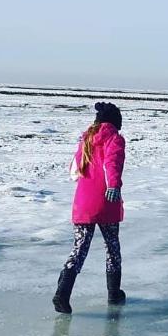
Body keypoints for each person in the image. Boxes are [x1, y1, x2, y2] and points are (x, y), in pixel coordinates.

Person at [53, 102, 126, 314]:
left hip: (83, 202)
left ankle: (62, 294)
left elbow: (74, 170)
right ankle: (114, 293)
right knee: (112, 247)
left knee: (79, 249)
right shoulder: (114, 138)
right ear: (115, 122)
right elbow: (112, 163)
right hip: (106, 201)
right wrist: (113, 185)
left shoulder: (86, 139)